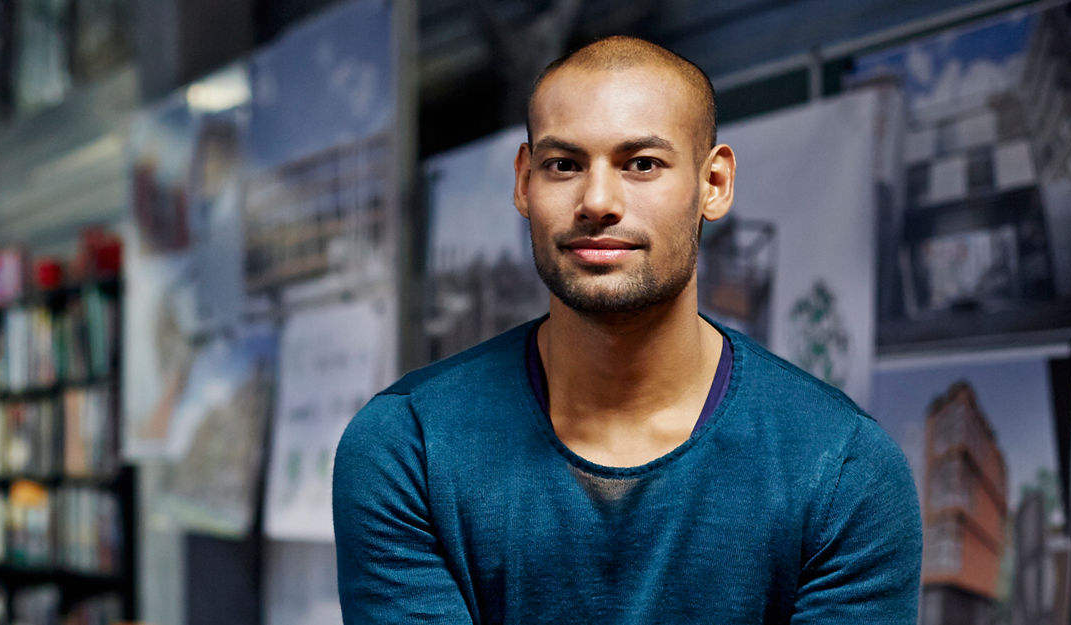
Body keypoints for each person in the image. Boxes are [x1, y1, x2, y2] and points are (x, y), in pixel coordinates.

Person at [333, 36, 921, 623]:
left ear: (713, 184)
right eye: (563, 165)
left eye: (642, 164)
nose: (597, 201)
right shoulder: (409, 446)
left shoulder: (843, 469)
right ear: (523, 182)